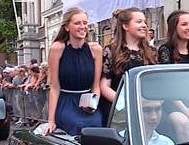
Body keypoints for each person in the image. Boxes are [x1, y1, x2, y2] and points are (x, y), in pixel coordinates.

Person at [44, 7, 103, 135]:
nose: (82, 27)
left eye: (85, 23)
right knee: (77, 125)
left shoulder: (96, 49)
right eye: (77, 23)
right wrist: (51, 120)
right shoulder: (57, 48)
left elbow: (96, 86)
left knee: (98, 126)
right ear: (67, 27)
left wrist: (93, 105)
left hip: (88, 102)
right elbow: (54, 87)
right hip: (66, 102)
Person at [157, 10, 189, 142]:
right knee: (182, 122)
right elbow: (166, 85)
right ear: (174, 28)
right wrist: (184, 109)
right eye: (184, 24)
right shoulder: (165, 50)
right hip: (173, 102)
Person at [101, 7, 157, 122]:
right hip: (121, 108)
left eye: (145, 22)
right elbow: (104, 86)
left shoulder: (152, 51)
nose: (144, 25)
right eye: (139, 22)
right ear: (125, 26)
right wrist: (126, 103)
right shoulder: (111, 51)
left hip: (149, 107)